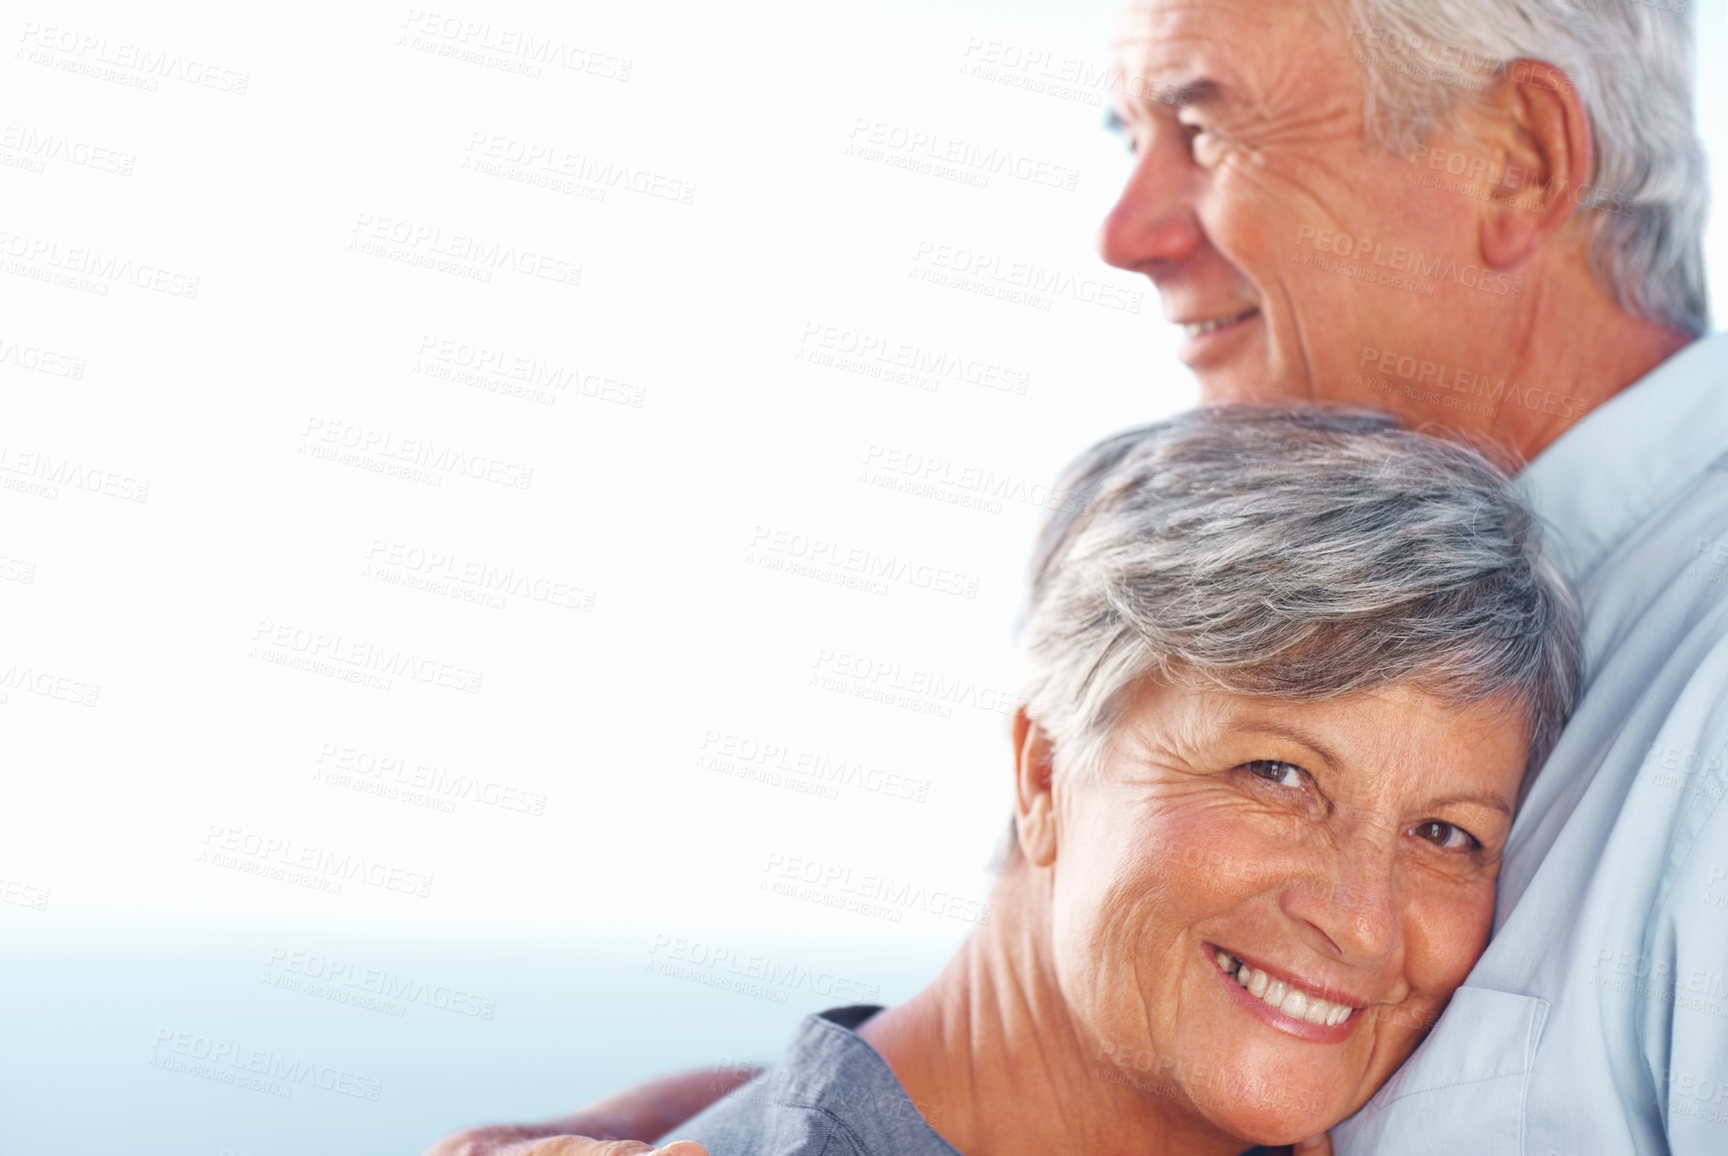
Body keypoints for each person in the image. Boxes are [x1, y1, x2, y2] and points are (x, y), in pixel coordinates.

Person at [428, 0, 1728, 1149]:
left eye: (1205, 128)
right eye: (1276, 774)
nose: (1124, 232)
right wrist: (761, 1121)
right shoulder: (1389, 597)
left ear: (1516, 161)